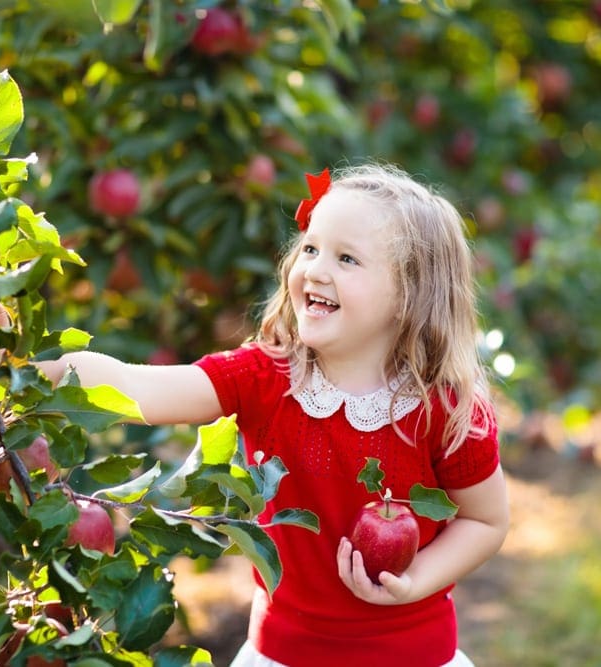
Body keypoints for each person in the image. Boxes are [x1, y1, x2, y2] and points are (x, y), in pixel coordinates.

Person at [36, 163, 510, 667]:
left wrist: (415, 578)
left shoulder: (443, 408)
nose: (316, 269)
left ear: (408, 295)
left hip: (411, 656)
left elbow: (485, 520)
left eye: (347, 258)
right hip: (284, 654)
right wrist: (33, 366)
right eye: (310, 248)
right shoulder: (266, 379)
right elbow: (140, 388)